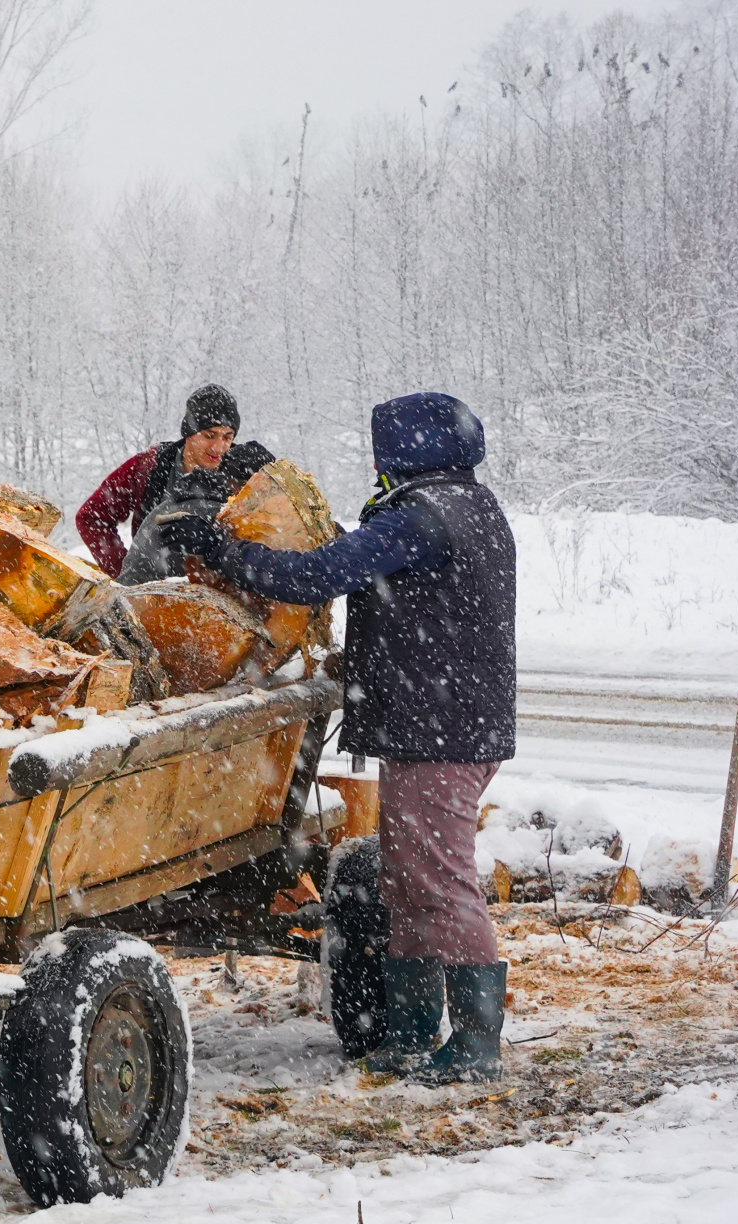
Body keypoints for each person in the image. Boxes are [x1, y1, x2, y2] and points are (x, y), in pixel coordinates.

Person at [160, 392, 515, 1083]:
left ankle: (475, 1045)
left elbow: (319, 573)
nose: (379, 463)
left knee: (439, 882)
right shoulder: (468, 504)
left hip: (441, 730)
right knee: (406, 879)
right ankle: (410, 1031)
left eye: (386, 450)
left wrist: (225, 551)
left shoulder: (424, 516)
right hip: (447, 722)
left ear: (412, 450)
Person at [76, 384, 280, 583]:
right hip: (151, 596)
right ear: (189, 432)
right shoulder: (149, 465)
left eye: (228, 437)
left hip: (222, 599)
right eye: (209, 435)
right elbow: (91, 517)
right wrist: (124, 568)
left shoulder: (244, 472)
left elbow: (276, 534)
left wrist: (273, 477)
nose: (219, 447)